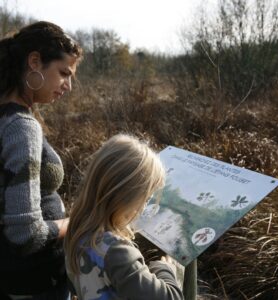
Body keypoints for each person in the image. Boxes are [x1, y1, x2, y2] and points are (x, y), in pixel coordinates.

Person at [0, 21, 83, 299]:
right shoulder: (20, 127)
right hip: (35, 282)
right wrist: (77, 222)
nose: (68, 86)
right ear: (35, 61)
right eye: (63, 73)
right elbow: (26, 233)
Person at [64, 134, 184, 300]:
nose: (144, 206)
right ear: (127, 198)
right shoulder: (118, 252)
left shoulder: (78, 232)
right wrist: (164, 269)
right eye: (146, 197)